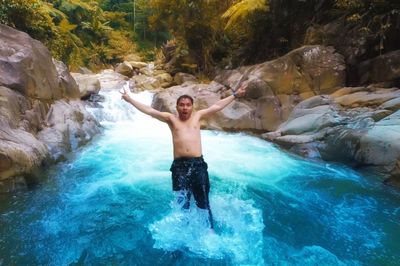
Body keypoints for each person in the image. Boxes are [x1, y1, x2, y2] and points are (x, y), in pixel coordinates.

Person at [120, 84, 247, 229]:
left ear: (192, 107)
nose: (185, 108)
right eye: (181, 105)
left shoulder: (198, 117)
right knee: (182, 203)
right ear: (177, 107)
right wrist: (130, 99)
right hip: (179, 167)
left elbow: (217, 106)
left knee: (203, 201)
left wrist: (235, 95)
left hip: (198, 165)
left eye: (188, 105)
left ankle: (209, 231)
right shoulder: (171, 119)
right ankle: (184, 230)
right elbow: (150, 110)